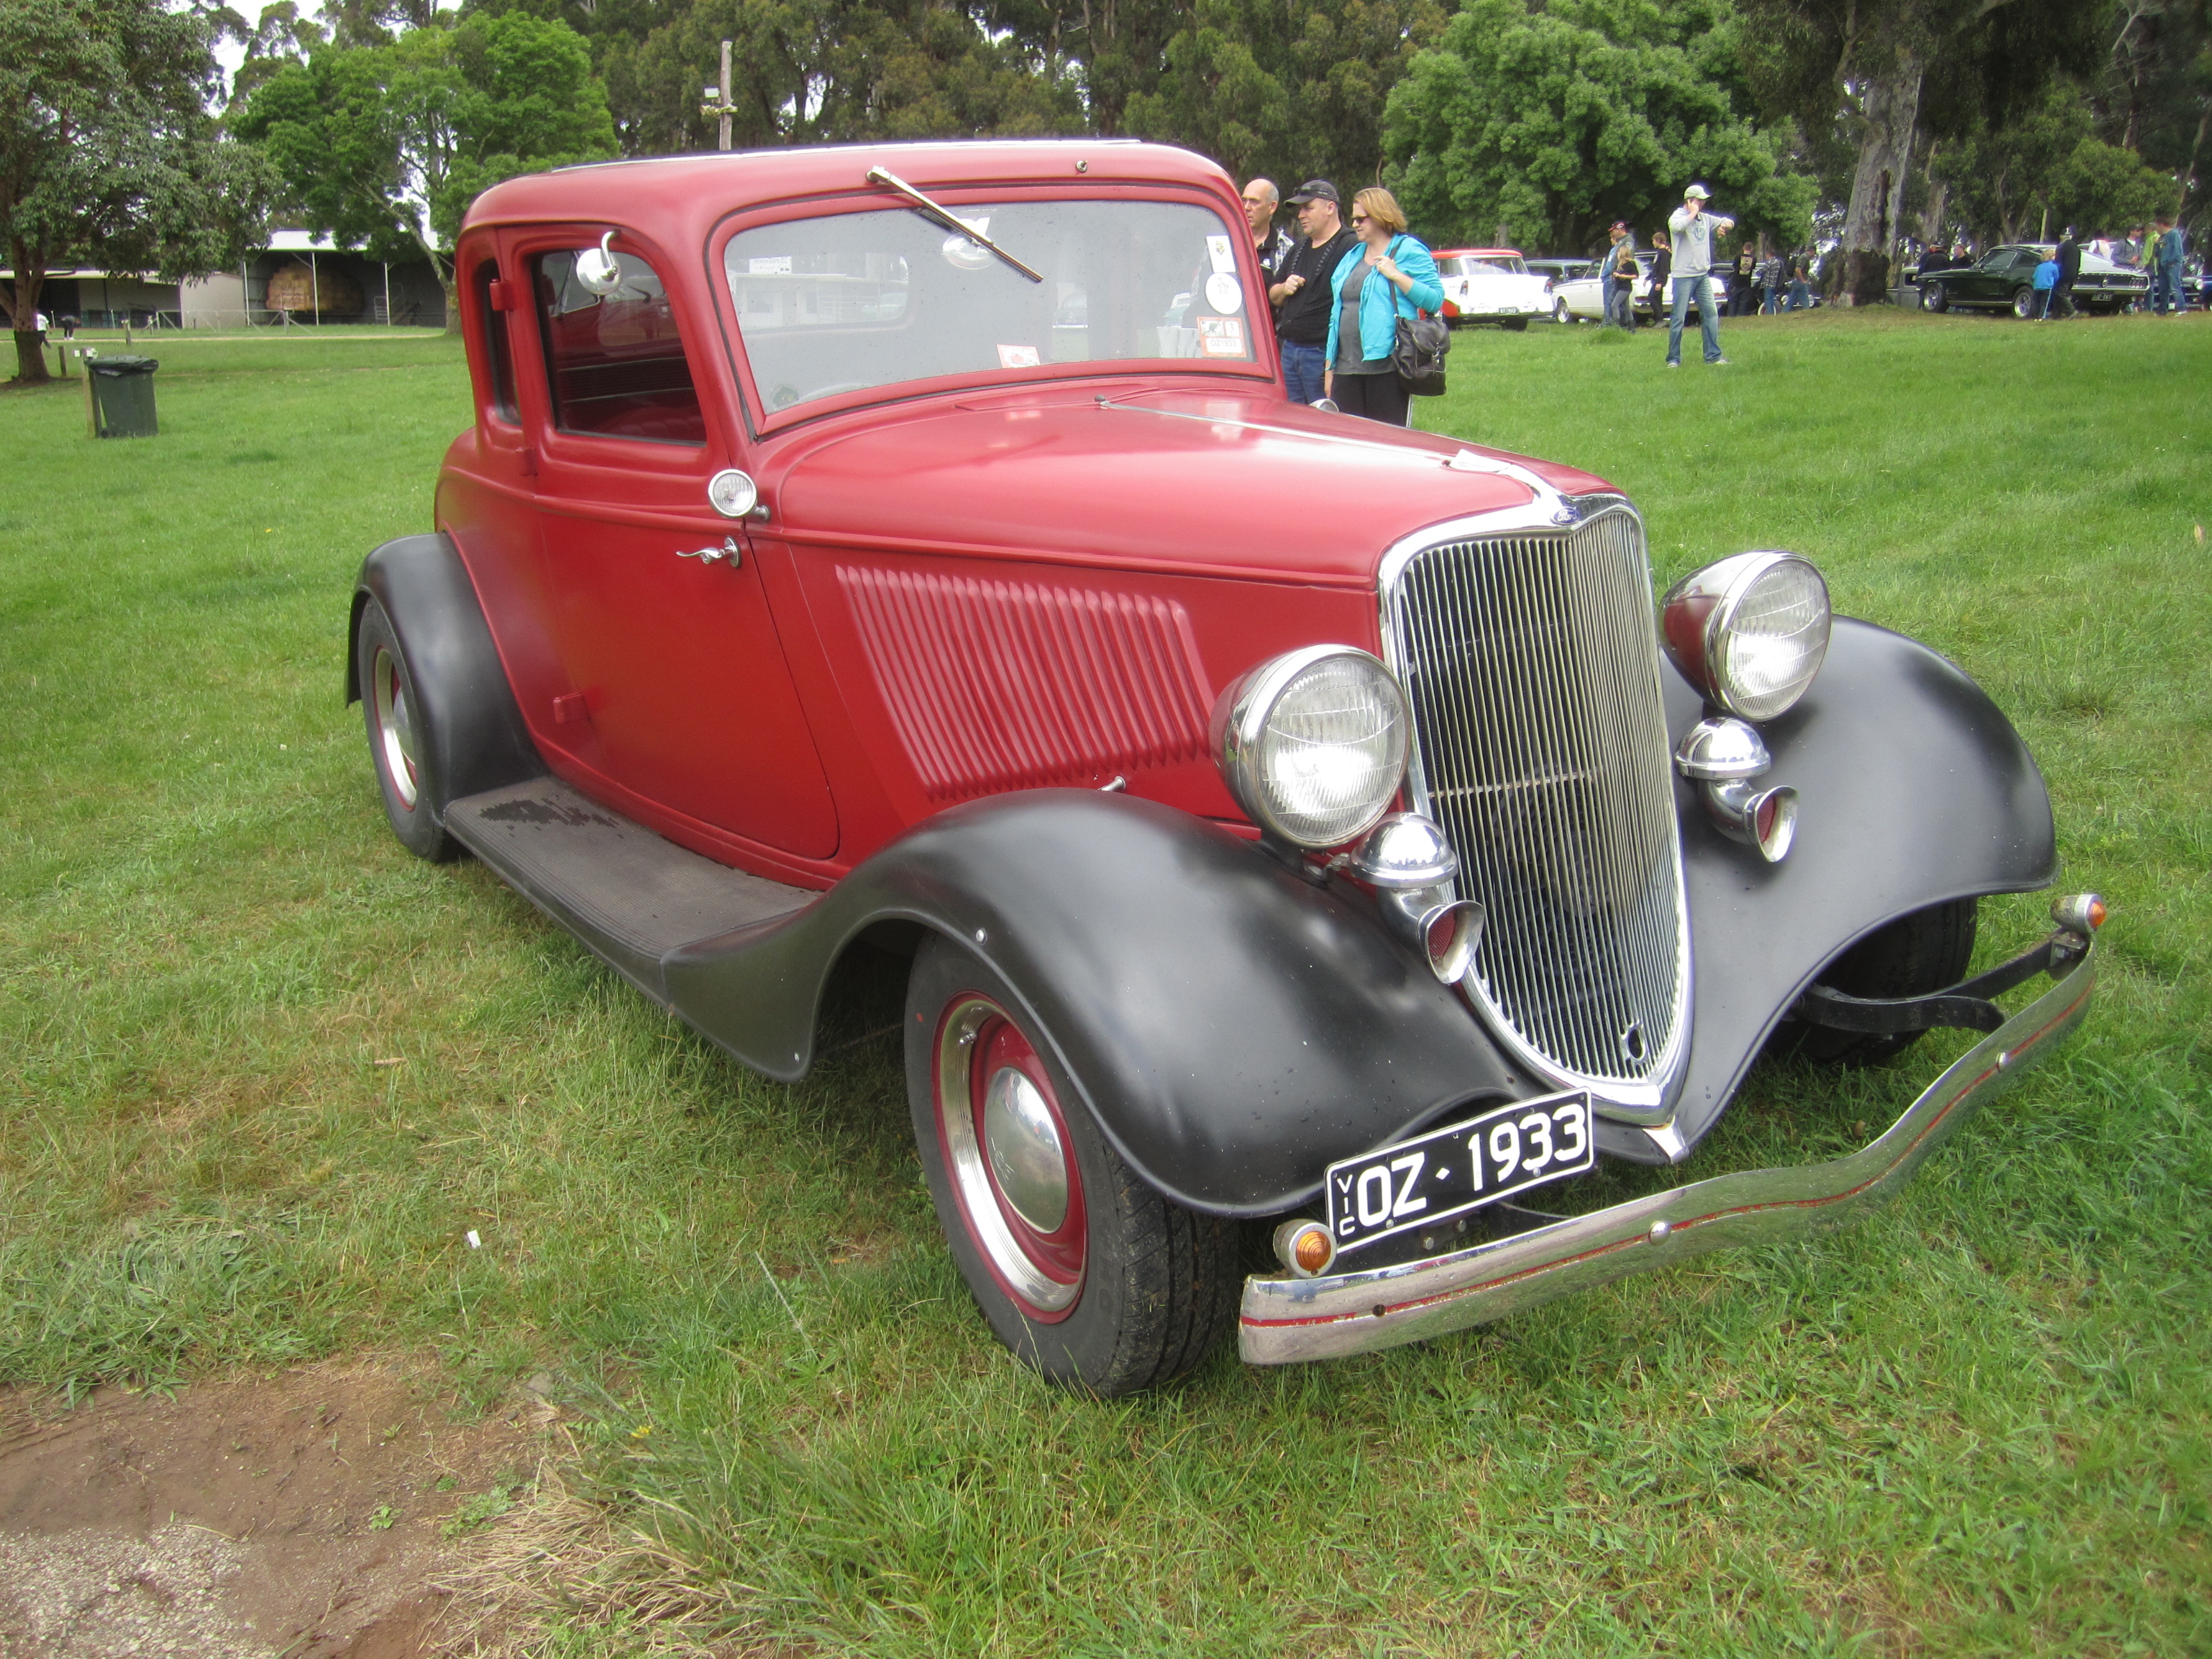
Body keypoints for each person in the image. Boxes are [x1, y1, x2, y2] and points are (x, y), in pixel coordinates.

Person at [1322, 186, 1443, 426]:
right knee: (1349, 442)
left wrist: (1396, 275)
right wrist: (1329, 367)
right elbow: (1337, 313)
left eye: (1361, 218)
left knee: (1387, 442)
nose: (1355, 224)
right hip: (1347, 368)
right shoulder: (1353, 255)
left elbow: (1435, 299)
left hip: (1388, 366)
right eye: (1353, 218)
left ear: (1380, 215)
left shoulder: (1409, 249)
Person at [1271, 180, 1359, 404]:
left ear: (1331, 208)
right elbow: (1272, 294)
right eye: (1300, 209)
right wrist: (1284, 288)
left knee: (1323, 422)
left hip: (1323, 353)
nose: (1301, 215)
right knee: (1292, 423)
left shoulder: (1351, 246)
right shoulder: (1298, 248)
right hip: (1290, 350)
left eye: (1308, 208)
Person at [1665, 184, 1733, 366]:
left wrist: (1724, 227)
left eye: (1703, 200)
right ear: (1690, 201)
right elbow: (1677, 228)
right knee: (1679, 318)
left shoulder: (1705, 218)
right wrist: (1692, 213)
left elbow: (1728, 220)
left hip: (1702, 275)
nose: (1703, 203)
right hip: (1683, 276)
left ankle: (1713, 356)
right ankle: (1673, 359)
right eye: (1699, 200)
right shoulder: (1678, 216)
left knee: (1711, 314)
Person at [1241, 178, 1297, 307]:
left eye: (1254, 202)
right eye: (1244, 200)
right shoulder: (1223, 242)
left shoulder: (1287, 249)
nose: (1246, 207)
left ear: (1272, 207)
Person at [1599, 223, 1636, 330]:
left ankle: (1619, 326)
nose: (1613, 233)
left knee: (1613, 302)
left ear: (1620, 229)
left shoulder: (1628, 240)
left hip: (1622, 279)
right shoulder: (1621, 241)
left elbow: (1628, 257)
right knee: (1624, 305)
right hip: (1617, 277)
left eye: (1614, 230)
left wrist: (1621, 272)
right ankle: (1627, 327)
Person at [2152, 216, 2186, 314]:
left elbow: (2177, 251)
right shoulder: (2162, 237)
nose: (2156, 230)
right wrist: (2156, 244)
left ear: (2161, 225)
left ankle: (2181, 308)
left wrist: (2171, 262)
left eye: (2157, 227)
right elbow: (2156, 254)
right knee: (2163, 289)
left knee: (2175, 287)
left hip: (2172, 265)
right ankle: (2162, 310)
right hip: (2162, 266)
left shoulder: (2174, 234)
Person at [2053, 228, 2081, 320]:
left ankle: (2071, 311)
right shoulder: (2076, 247)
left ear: (2061, 236)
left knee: (2059, 294)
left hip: (2064, 273)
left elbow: (2058, 261)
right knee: (2061, 294)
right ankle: (2057, 315)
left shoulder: (2062, 246)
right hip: (2074, 274)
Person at [1646, 232, 1671, 325]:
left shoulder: (1664, 253)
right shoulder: (1659, 252)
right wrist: (1648, 278)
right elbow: (1656, 268)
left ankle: (1660, 319)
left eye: (1654, 241)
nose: (1653, 243)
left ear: (1658, 240)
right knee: (1658, 300)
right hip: (1656, 279)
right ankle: (1659, 319)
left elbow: (1664, 269)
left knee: (1652, 298)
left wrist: (1660, 282)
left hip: (1659, 280)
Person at [1731, 240, 1758, 314]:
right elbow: (1753, 268)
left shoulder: (1738, 257)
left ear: (1743, 248)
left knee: (1733, 301)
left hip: (1736, 282)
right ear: (1752, 249)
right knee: (1743, 302)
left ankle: (1731, 316)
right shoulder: (1754, 259)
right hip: (1747, 283)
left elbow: (1734, 267)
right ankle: (1741, 316)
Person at [2031, 252, 2058, 319]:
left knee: (2036, 303)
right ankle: (2041, 317)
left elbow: (2034, 277)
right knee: (2044, 303)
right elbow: (2056, 277)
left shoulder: (2039, 267)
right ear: (2051, 257)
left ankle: (2035, 316)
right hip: (2047, 287)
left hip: (2037, 287)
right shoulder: (2054, 267)